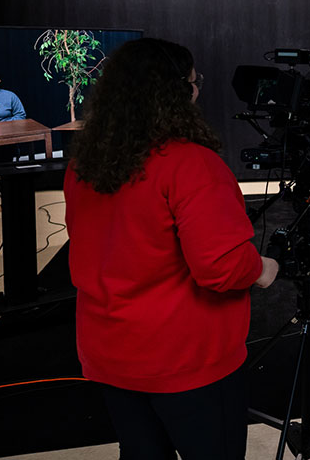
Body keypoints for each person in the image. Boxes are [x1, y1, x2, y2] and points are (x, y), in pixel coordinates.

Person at [64, 38, 279, 460]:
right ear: (178, 92)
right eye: (194, 82)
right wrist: (262, 268)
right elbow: (222, 267)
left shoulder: (84, 164)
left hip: (110, 353)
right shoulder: (190, 164)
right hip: (184, 361)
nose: (198, 89)